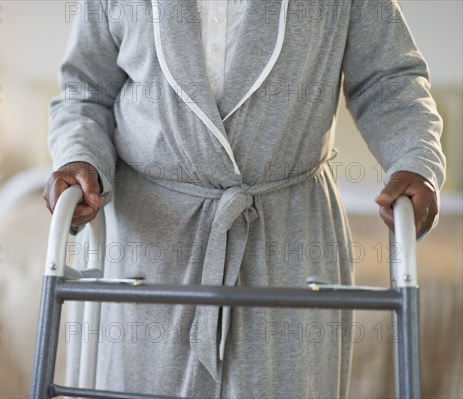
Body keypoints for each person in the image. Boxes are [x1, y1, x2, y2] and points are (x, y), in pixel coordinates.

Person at [43, 1, 445, 397]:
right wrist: (80, 157)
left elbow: (389, 83)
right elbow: (85, 93)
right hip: (148, 238)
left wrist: (415, 160)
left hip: (289, 235)